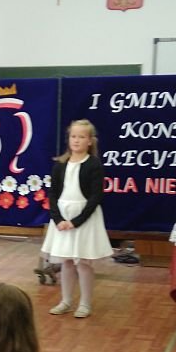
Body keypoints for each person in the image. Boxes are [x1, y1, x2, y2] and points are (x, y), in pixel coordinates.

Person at [42, 118, 113, 318]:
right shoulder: (60, 165)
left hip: (84, 219)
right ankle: (66, 301)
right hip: (62, 219)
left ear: (89, 141)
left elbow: (95, 197)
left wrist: (76, 222)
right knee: (66, 261)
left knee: (83, 262)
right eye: (73, 136)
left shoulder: (94, 165)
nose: (76, 140)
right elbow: (53, 194)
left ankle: (85, 303)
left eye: (81, 137)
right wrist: (58, 219)